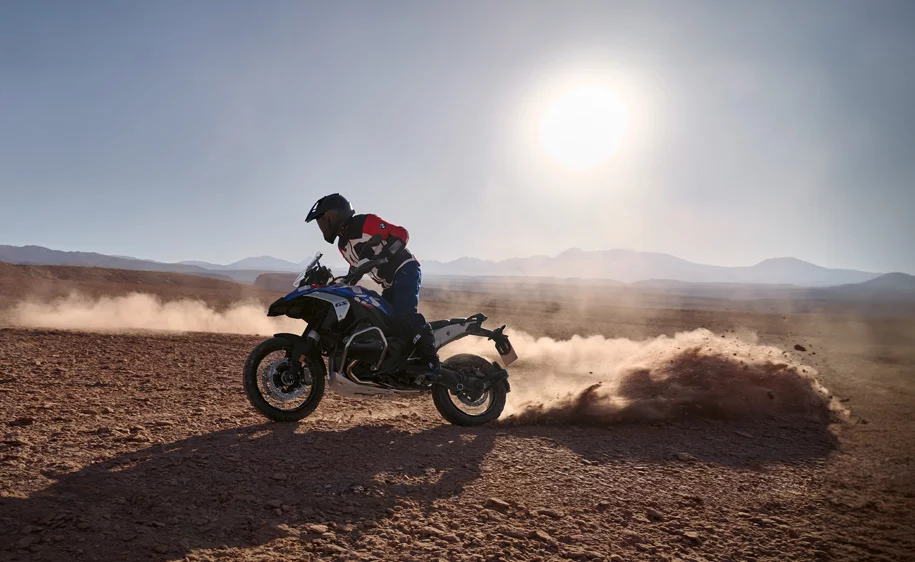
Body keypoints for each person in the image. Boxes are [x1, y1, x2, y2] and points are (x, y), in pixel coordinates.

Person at [305, 193, 441, 377]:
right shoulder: (342, 244)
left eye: (325, 219)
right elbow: (355, 267)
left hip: (405, 269)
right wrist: (344, 283)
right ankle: (400, 362)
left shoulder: (364, 222)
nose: (323, 226)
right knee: (384, 320)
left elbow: (401, 233)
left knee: (404, 315)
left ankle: (431, 362)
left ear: (338, 213)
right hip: (389, 282)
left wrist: (385, 255)